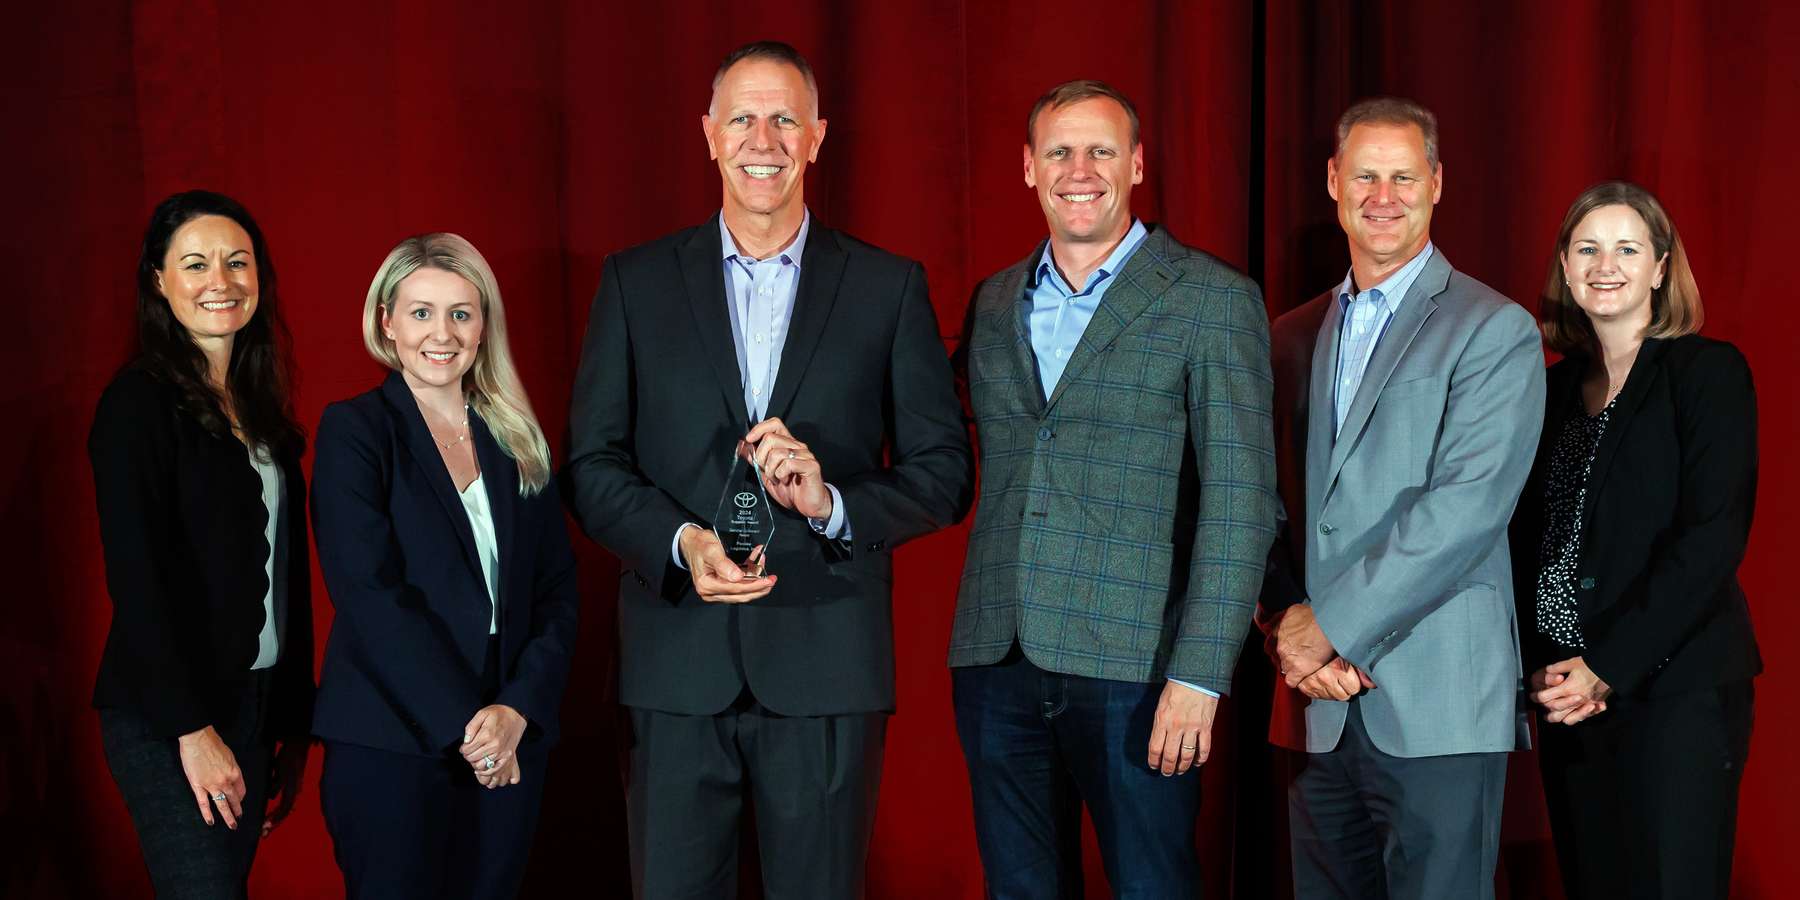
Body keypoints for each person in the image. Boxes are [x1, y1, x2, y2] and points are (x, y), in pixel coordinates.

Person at [565, 40, 972, 899]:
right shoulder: (634, 283)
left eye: (786, 118)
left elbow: (943, 472)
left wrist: (832, 505)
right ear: (709, 134)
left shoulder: (887, 287)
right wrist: (680, 542)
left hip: (827, 666)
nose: (765, 138)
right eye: (744, 118)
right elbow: (591, 466)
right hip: (674, 668)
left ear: (818, 137)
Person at [948, 79, 1278, 897]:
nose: (1079, 169)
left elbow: (1243, 505)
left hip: (1142, 667)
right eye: (1059, 151)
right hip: (999, 658)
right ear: (1029, 168)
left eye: (1101, 150)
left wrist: (1200, 676)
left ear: (1136, 163)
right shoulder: (993, 302)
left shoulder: (1212, 299)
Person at [1258, 97, 1544, 900]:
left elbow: (1467, 508)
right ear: (1333, 183)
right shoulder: (1287, 336)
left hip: (1440, 704)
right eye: (1365, 175)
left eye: (1404, 176)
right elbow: (1262, 504)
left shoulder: (1495, 328)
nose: (1383, 195)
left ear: (1438, 183)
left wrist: (1330, 629)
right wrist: (1284, 625)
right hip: (1316, 709)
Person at [309, 233, 581, 899]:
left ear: (483, 325)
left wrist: (516, 710)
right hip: (393, 737)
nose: (442, 332)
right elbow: (369, 593)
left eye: (461, 312)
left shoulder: (516, 437)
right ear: (387, 322)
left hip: (509, 736)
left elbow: (558, 592)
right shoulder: (355, 430)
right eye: (421, 311)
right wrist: (471, 728)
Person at [1508, 181, 1759, 900]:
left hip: (1673, 692)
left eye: (1627, 248)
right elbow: (1528, 540)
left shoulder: (1707, 374)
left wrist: (1607, 666)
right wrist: (1546, 666)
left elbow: (1711, 539)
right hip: (1567, 696)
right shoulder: (1549, 391)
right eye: (1587, 248)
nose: (1605, 264)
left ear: (1659, 267)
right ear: (1564, 265)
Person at [89, 189, 315, 899]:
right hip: (171, 716)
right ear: (159, 280)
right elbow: (136, 578)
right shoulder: (137, 403)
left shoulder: (258, 408)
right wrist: (193, 729)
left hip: (252, 703)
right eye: (195, 264)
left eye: (237, 263)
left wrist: (288, 720)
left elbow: (286, 575)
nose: (221, 282)